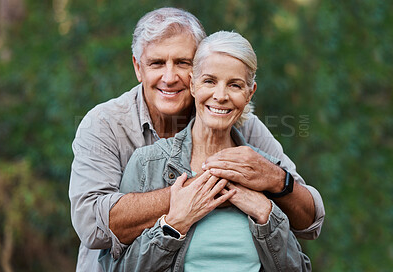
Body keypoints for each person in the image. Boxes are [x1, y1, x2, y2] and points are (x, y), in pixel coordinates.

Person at [69, 7, 324, 271]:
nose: (169, 78)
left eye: (182, 62)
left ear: (197, 71)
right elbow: (91, 225)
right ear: (138, 67)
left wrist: (274, 180)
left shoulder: (238, 121)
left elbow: (309, 221)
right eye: (157, 63)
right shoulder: (105, 123)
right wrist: (196, 192)